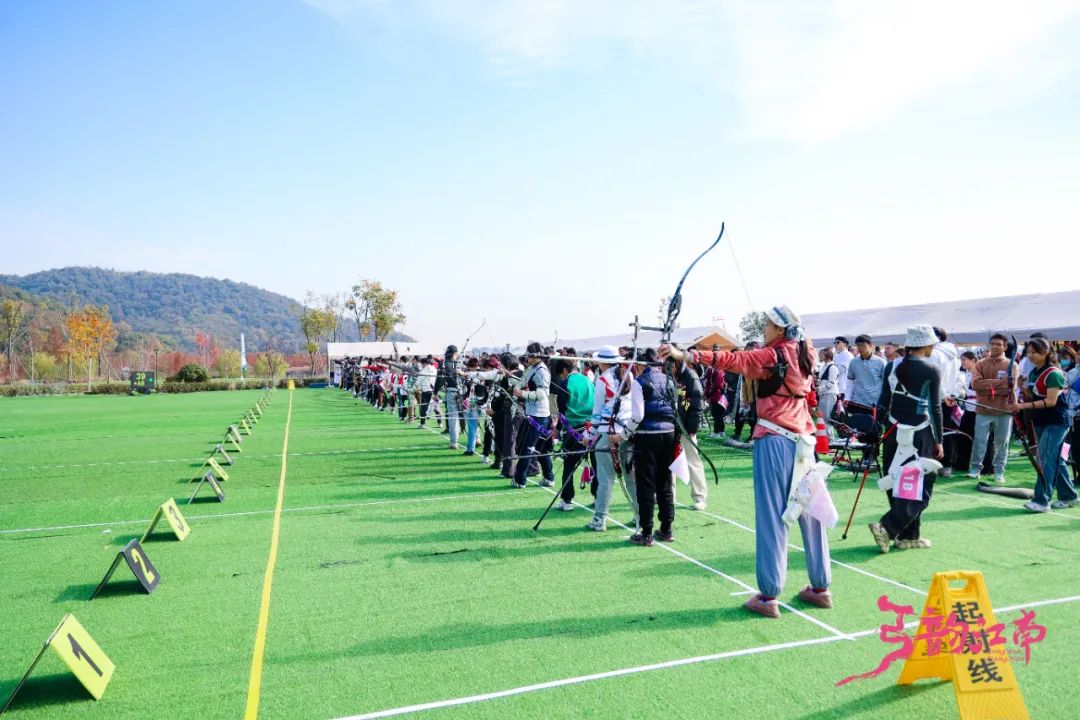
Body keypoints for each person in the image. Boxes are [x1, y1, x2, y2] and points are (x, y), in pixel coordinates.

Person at [661, 306, 831, 619]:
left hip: (776, 440)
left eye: (768, 324)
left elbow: (734, 360)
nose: (764, 328)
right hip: (804, 443)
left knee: (772, 516)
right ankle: (820, 588)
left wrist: (685, 355)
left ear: (779, 329)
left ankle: (769, 596)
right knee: (810, 512)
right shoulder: (807, 352)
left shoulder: (773, 355)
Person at [869, 325, 943, 553]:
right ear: (927, 344)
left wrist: (876, 428)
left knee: (896, 480)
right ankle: (888, 528)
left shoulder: (892, 365)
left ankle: (909, 536)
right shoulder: (931, 369)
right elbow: (935, 407)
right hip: (920, 432)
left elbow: (883, 399)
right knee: (921, 485)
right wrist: (939, 439)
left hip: (892, 429)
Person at [1008, 338, 1078, 512]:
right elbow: (1035, 396)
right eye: (1029, 352)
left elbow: (1051, 401)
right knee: (1054, 460)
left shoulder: (1054, 373)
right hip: (1041, 420)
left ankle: (1041, 501)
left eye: (1035, 352)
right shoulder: (1035, 372)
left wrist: (1021, 406)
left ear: (1046, 353)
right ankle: (1069, 496)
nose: (1031, 356)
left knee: (1046, 459)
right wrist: (1022, 387)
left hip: (1056, 421)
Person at [625, 348, 678, 546]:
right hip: (669, 433)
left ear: (640, 365)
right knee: (665, 481)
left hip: (647, 436)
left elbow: (637, 415)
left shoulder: (640, 382)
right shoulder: (669, 380)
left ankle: (646, 532)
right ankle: (666, 528)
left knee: (646, 483)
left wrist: (625, 434)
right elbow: (675, 409)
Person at [587, 346, 635, 532]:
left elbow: (597, 413)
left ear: (603, 361)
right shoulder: (629, 375)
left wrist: (589, 435)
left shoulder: (603, 380)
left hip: (608, 433)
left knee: (605, 478)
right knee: (631, 477)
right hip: (627, 432)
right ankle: (640, 517)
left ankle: (600, 520)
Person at [967, 334, 1017, 482]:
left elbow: (1010, 387)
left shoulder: (1012, 364)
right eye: (992, 344)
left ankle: (999, 471)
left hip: (1004, 410)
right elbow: (975, 385)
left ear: (1005, 347)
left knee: (1002, 442)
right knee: (980, 440)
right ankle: (975, 468)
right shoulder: (980, 364)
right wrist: (1000, 382)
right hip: (983, 409)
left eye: (998, 344)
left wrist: (987, 385)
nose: (995, 346)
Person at [510, 343, 556, 489]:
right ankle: (549, 478)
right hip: (532, 413)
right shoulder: (532, 369)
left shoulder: (542, 372)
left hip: (540, 416)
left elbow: (542, 395)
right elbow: (522, 381)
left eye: (530, 355)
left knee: (528, 448)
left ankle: (520, 480)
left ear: (536, 356)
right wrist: (509, 378)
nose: (527, 357)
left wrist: (522, 394)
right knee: (541, 449)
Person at [553, 358, 595, 511]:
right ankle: (598, 497)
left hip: (574, 429)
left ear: (564, 370)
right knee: (595, 462)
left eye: (561, 374)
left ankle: (567, 500)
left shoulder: (566, 383)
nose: (561, 377)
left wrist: (557, 429)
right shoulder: (588, 379)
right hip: (592, 427)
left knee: (569, 464)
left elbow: (562, 411)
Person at [675, 354, 708, 511]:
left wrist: (692, 428)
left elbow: (697, 403)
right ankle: (668, 494)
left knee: (693, 460)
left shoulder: (690, 376)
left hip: (687, 425)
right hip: (670, 425)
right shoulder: (667, 374)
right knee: (668, 461)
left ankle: (700, 497)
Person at [929, 327, 962, 476]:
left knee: (934, 431)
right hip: (947, 397)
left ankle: (935, 464)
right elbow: (957, 377)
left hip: (936, 398)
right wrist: (952, 394)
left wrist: (943, 395)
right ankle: (946, 464)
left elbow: (934, 378)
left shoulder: (933, 353)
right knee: (946, 430)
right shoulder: (954, 354)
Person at [1061, 345, 1080, 482]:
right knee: (1076, 447)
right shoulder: (1072, 373)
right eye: (1078, 354)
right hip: (1072, 415)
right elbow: (1065, 392)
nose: (1079, 357)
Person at [816, 348, 840, 425]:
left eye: (822, 355)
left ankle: (829, 436)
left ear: (828, 356)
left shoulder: (833, 367)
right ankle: (823, 435)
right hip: (824, 394)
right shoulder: (824, 366)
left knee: (826, 418)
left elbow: (831, 383)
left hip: (829, 394)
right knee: (821, 417)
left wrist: (820, 388)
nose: (820, 356)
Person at [833, 337, 854, 401]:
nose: (835, 344)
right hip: (836, 388)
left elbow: (841, 370)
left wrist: (831, 369)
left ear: (845, 344)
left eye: (838, 342)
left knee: (842, 410)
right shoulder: (836, 356)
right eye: (835, 343)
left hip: (844, 389)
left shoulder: (848, 355)